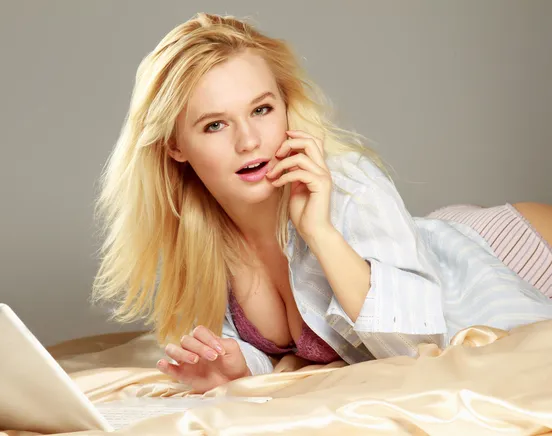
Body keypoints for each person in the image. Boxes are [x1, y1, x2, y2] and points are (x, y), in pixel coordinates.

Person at [92, 12, 552, 394]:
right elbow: (271, 351)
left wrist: (321, 233)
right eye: (215, 125)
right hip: (422, 234)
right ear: (175, 146)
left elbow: (418, 347)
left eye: (261, 109)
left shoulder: (346, 182)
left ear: (286, 107)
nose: (249, 141)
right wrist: (237, 368)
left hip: (505, 245)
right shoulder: (194, 233)